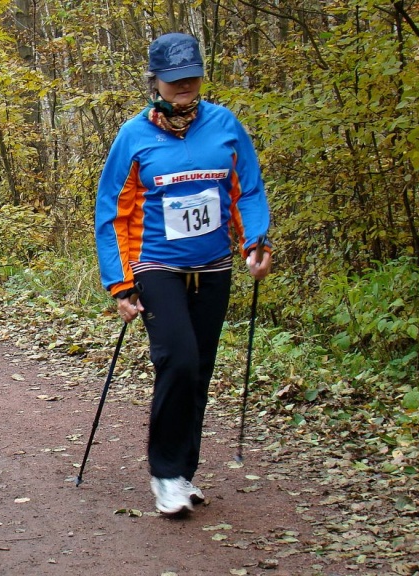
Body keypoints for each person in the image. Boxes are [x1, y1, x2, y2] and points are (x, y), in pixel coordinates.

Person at [94, 32, 272, 516]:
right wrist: (120, 282)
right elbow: (109, 211)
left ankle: (183, 473)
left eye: (191, 77)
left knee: (200, 372)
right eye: (174, 80)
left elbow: (249, 190)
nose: (184, 87)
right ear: (154, 81)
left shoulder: (225, 125)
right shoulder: (133, 136)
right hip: (156, 266)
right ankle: (165, 473)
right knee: (178, 359)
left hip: (214, 266)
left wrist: (256, 241)